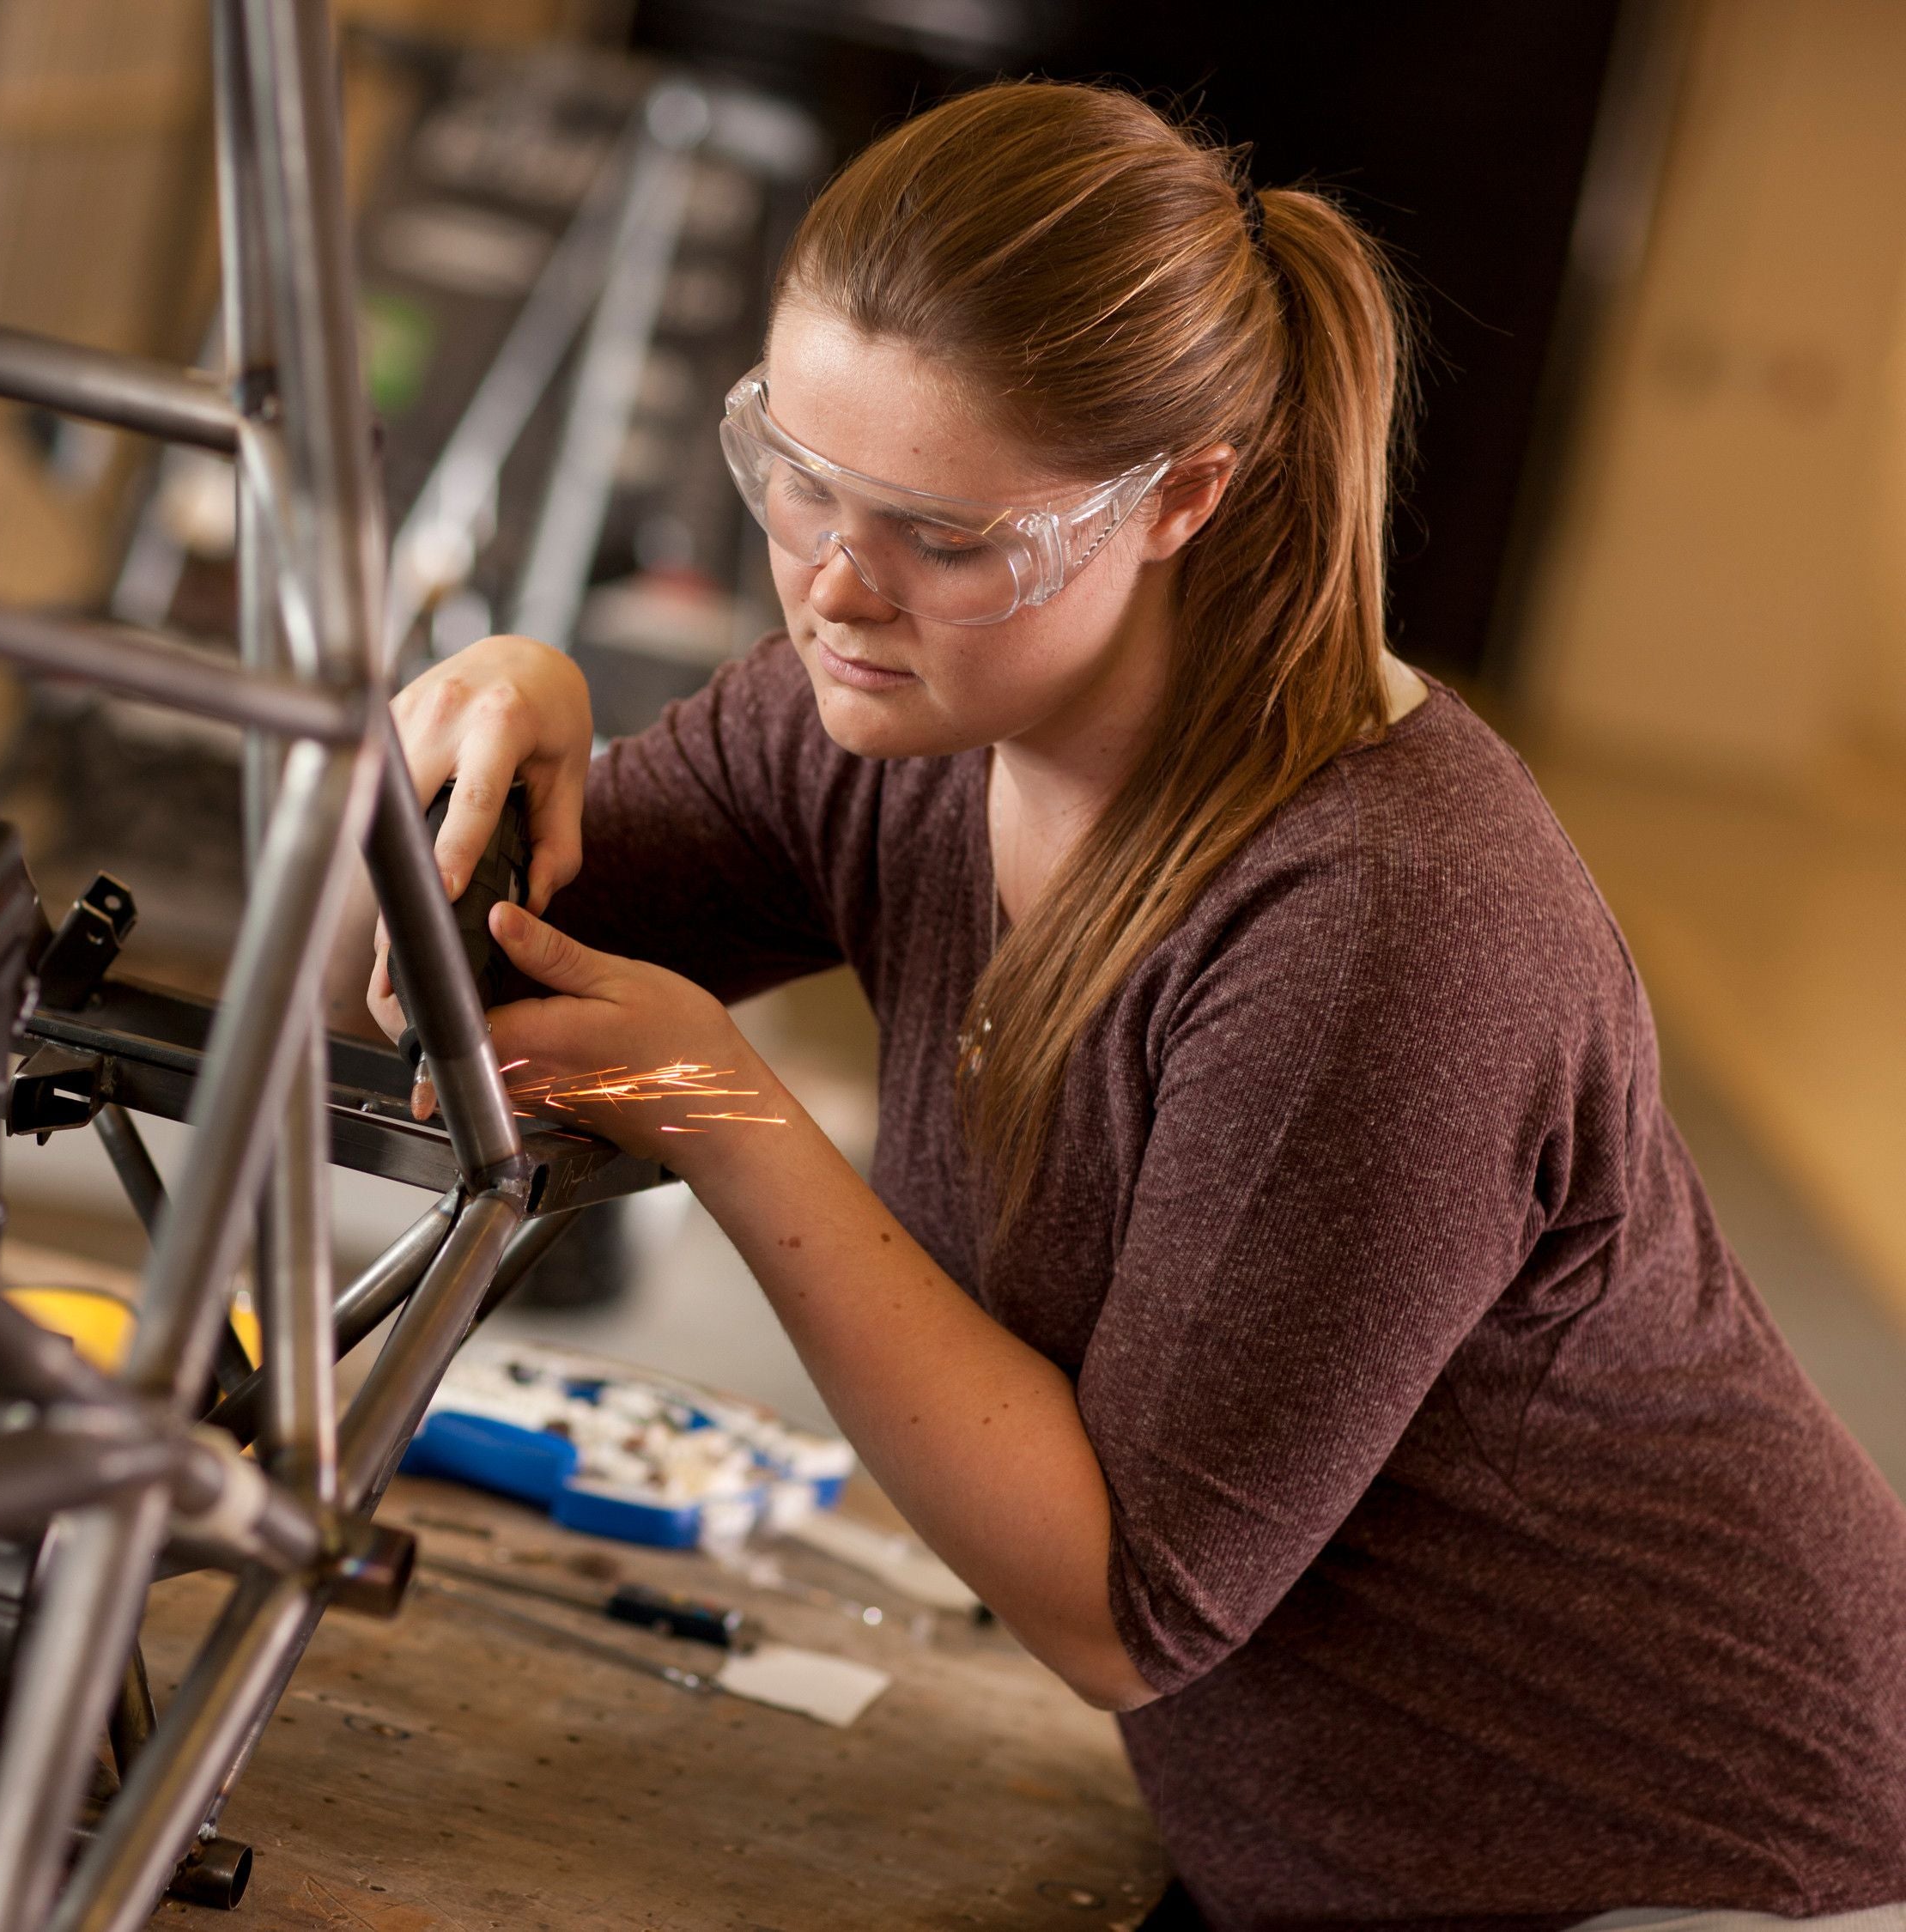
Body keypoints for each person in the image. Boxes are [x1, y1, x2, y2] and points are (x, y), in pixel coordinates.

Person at [366, 80, 1906, 1930]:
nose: (837, 587)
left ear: (1182, 495)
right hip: (1332, 1858)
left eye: (943, 534)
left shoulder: (1376, 923)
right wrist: (461, 727)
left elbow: (1127, 1608)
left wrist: (723, 1114)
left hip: (1704, 1878)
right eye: (795, 479)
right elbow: (417, 987)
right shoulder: (892, 711)